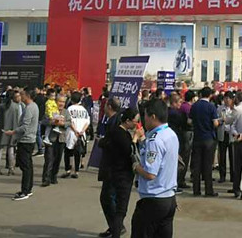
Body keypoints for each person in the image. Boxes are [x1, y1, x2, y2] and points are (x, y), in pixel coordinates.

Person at [131, 99, 179, 238]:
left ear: (153, 117)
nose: (144, 119)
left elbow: (150, 173)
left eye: (145, 115)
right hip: (169, 197)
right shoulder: (170, 134)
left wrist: (135, 166)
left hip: (154, 199)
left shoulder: (155, 140)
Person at [99, 107, 143, 238]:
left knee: (108, 200)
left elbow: (103, 143)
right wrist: (135, 138)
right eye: (135, 121)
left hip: (112, 173)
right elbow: (130, 152)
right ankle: (116, 230)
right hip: (122, 175)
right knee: (120, 209)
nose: (137, 124)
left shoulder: (115, 132)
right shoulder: (122, 135)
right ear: (128, 121)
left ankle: (114, 228)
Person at [5, 89, 39, 200]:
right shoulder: (33, 106)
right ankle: (28, 189)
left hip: (26, 140)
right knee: (28, 165)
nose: (20, 96)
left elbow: (25, 126)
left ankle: (25, 191)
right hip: (29, 139)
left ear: (27, 96)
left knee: (25, 166)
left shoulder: (29, 108)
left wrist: (13, 132)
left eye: (22, 94)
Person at [189, 86, 220, 197]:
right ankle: (208, 190)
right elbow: (215, 123)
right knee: (207, 165)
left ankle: (196, 190)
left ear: (201, 94)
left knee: (196, 166)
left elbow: (189, 121)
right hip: (208, 138)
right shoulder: (211, 107)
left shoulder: (194, 106)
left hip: (197, 138)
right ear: (210, 95)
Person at [62, 91, 90, 179]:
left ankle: (68, 170)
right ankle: (76, 171)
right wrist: (82, 131)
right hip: (81, 133)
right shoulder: (84, 110)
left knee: (68, 151)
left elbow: (69, 121)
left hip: (71, 133)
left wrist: (75, 130)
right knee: (78, 153)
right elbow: (87, 122)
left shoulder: (69, 109)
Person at [41, 95, 67, 187]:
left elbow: (69, 122)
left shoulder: (66, 112)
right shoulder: (50, 110)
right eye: (60, 101)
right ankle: (46, 179)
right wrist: (51, 122)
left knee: (57, 159)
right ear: (56, 102)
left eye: (63, 102)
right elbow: (43, 121)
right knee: (49, 159)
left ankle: (54, 176)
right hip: (50, 139)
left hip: (61, 139)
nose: (61, 104)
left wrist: (63, 123)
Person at [0, 89, 22, 175]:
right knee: (11, 150)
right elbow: (19, 118)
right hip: (12, 129)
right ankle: (11, 169)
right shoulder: (16, 106)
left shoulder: (2, 106)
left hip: (2, 129)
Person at [216, 92, 235, 184]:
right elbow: (216, 119)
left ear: (232, 100)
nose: (227, 100)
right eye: (225, 98)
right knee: (222, 156)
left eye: (229, 98)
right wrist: (221, 120)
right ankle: (222, 176)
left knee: (233, 157)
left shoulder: (235, 109)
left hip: (231, 134)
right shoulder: (220, 108)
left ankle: (233, 176)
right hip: (222, 133)